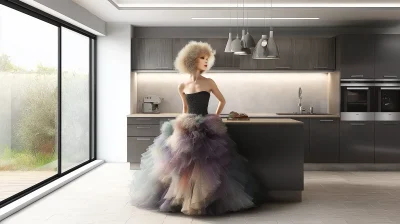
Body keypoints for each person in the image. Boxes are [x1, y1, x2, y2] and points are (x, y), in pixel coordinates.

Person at [129, 41, 260, 216]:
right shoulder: (182, 85)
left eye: (207, 58)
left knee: (205, 165)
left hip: (206, 124)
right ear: (191, 60)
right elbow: (184, 109)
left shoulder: (209, 82)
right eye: (202, 58)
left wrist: (216, 116)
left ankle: (203, 200)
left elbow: (222, 100)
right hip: (186, 124)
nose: (206, 61)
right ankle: (181, 199)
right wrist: (180, 122)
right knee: (180, 164)